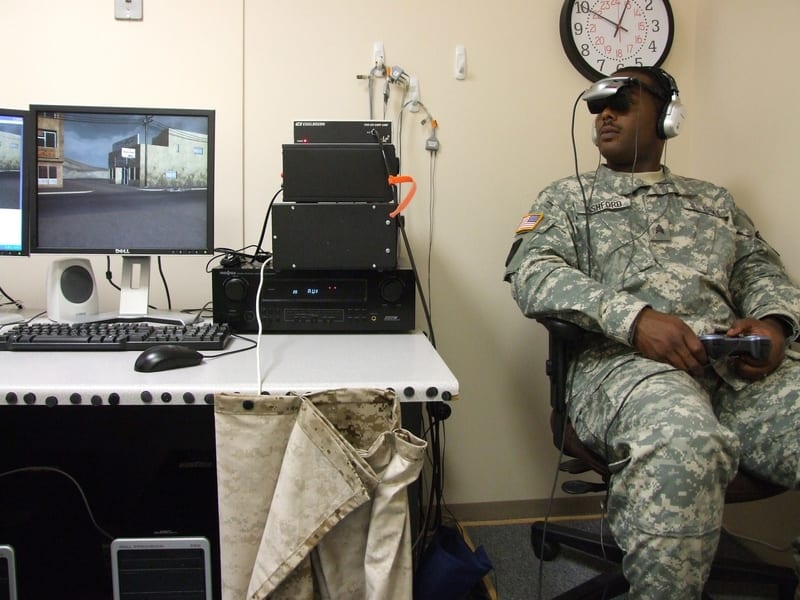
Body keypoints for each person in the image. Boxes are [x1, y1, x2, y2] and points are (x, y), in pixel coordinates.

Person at [504, 66, 800, 598]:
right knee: (683, 438)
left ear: (668, 117)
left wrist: (775, 325)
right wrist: (634, 320)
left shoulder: (714, 201)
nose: (606, 115)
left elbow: (759, 270)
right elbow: (534, 274)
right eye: (598, 107)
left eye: (623, 102)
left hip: (733, 368)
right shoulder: (568, 199)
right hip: (625, 370)